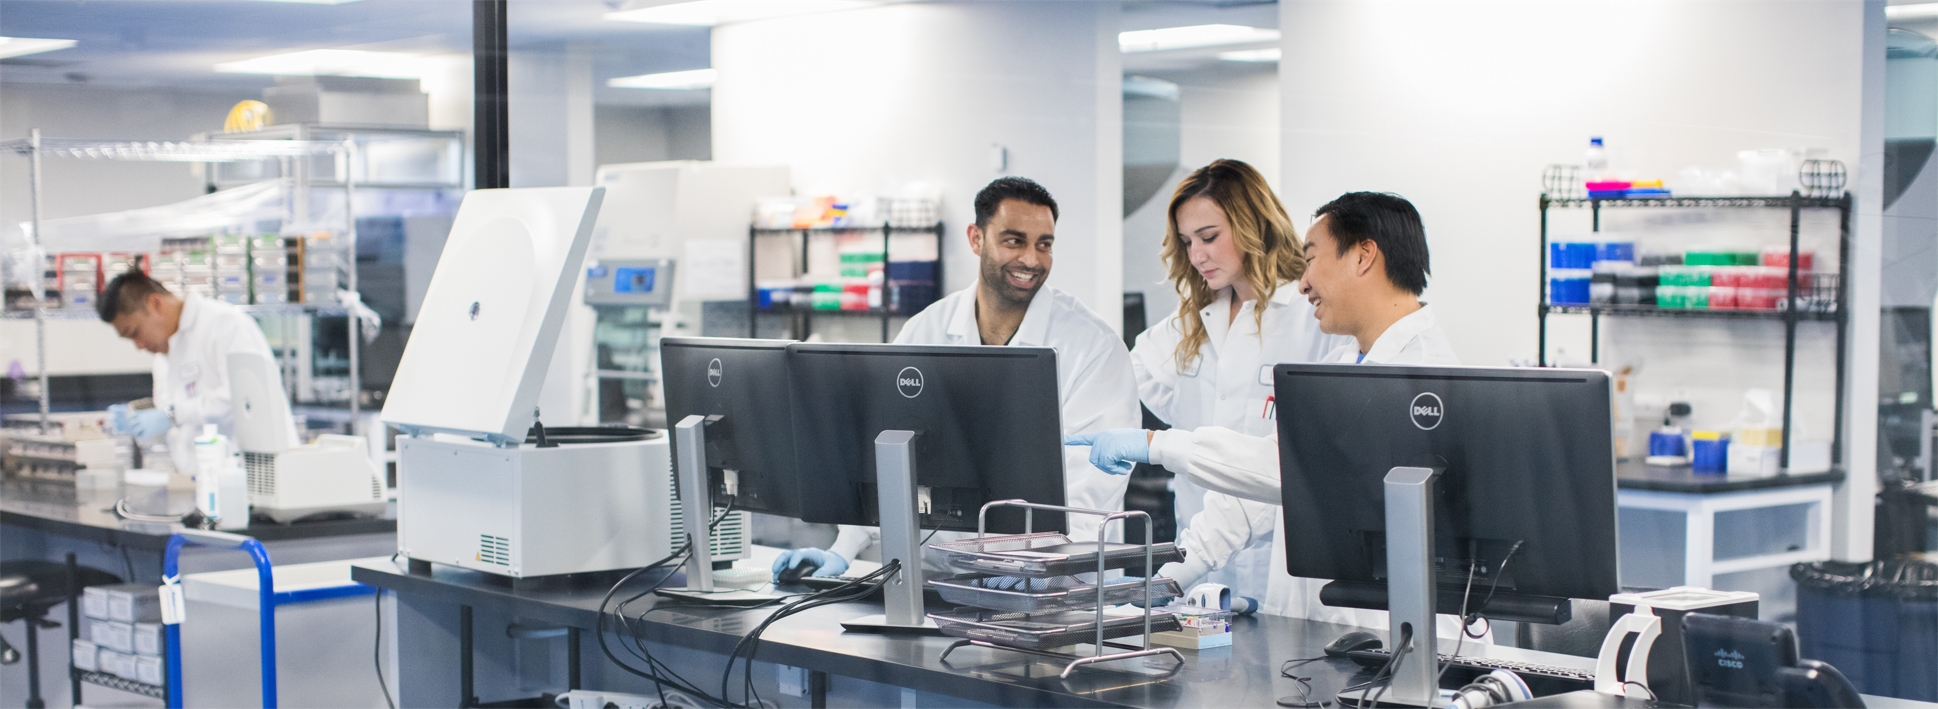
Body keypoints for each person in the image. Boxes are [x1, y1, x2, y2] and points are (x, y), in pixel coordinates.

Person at [1070, 192, 1464, 630]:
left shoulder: (1419, 377)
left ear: (1363, 256)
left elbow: (1288, 470)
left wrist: (1156, 444)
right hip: (1322, 630)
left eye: (1312, 259)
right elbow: (1249, 499)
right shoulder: (1343, 365)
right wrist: (1165, 585)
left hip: (1392, 635)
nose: (1303, 283)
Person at [771, 176, 1140, 581]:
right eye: (1014, 241)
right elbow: (886, 453)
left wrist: (1041, 564)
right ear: (976, 238)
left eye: (1044, 244)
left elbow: (1093, 487)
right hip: (939, 580)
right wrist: (843, 549)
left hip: (1058, 589)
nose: (1032, 260)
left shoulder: (1092, 347)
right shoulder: (925, 331)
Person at [1112, 159, 1350, 608]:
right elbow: (1125, 373)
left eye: (1208, 237)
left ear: (1252, 225)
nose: (1196, 255)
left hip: (1282, 565)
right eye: (1186, 242)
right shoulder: (1191, 323)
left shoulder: (1310, 316)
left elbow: (1296, 460)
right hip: (1200, 556)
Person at [99, 272, 293, 473]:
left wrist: (172, 415)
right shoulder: (163, 357)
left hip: (254, 475)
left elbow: (244, 400)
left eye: (135, 332)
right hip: (201, 482)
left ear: (155, 304)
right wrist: (139, 423)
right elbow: (177, 424)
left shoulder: (225, 324)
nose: (138, 346)